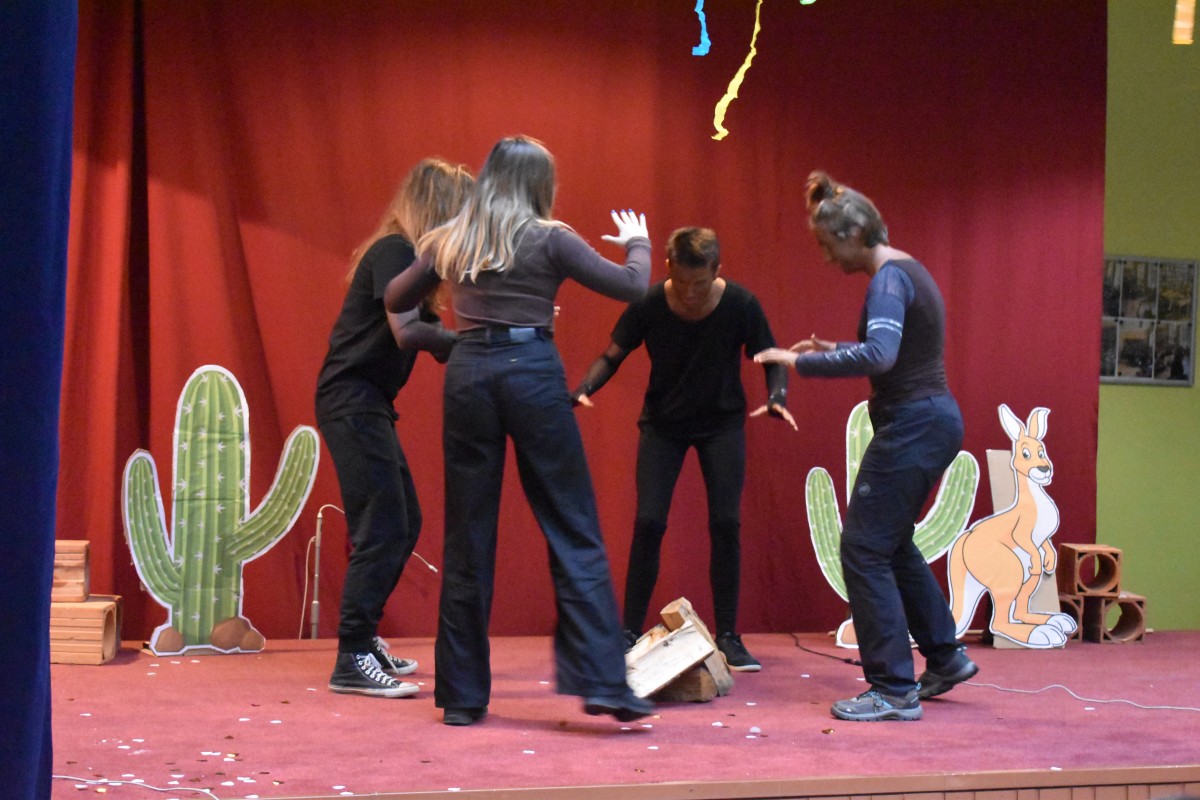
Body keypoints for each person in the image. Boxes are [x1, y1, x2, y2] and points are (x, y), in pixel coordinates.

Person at [384, 135, 655, 726]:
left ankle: (461, 698)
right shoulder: (550, 237)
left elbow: (396, 296)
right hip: (531, 372)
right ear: (540, 185)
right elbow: (634, 287)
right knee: (572, 525)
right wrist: (638, 242)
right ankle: (603, 684)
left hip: (469, 375)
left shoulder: (450, 239)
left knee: (468, 536)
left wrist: (438, 324)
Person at [755, 171, 978, 722]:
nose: (826, 257)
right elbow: (897, 351)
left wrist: (799, 362)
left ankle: (893, 689)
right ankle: (945, 657)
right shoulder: (908, 269)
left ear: (854, 233)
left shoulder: (887, 281)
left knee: (861, 548)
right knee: (891, 543)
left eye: (827, 245)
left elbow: (880, 356)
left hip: (914, 426)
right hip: (931, 420)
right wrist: (833, 347)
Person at [572, 226, 795, 671]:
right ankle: (628, 631)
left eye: (700, 283)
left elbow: (771, 356)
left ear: (717, 270)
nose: (690, 293)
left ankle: (729, 636)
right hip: (664, 425)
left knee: (725, 523)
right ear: (668, 267)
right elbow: (612, 354)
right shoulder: (650, 302)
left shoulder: (741, 304)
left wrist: (777, 397)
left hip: (721, 425)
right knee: (649, 522)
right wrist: (584, 387)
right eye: (681, 281)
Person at [315, 158, 474, 698]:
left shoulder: (408, 266)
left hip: (368, 404)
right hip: (352, 401)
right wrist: (464, 341)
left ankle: (364, 638)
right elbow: (408, 333)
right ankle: (351, 656)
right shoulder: (395, 253)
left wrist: (481, 336)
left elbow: (433, 339)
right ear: (439, 211)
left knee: (404, 524)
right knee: (381, 527)